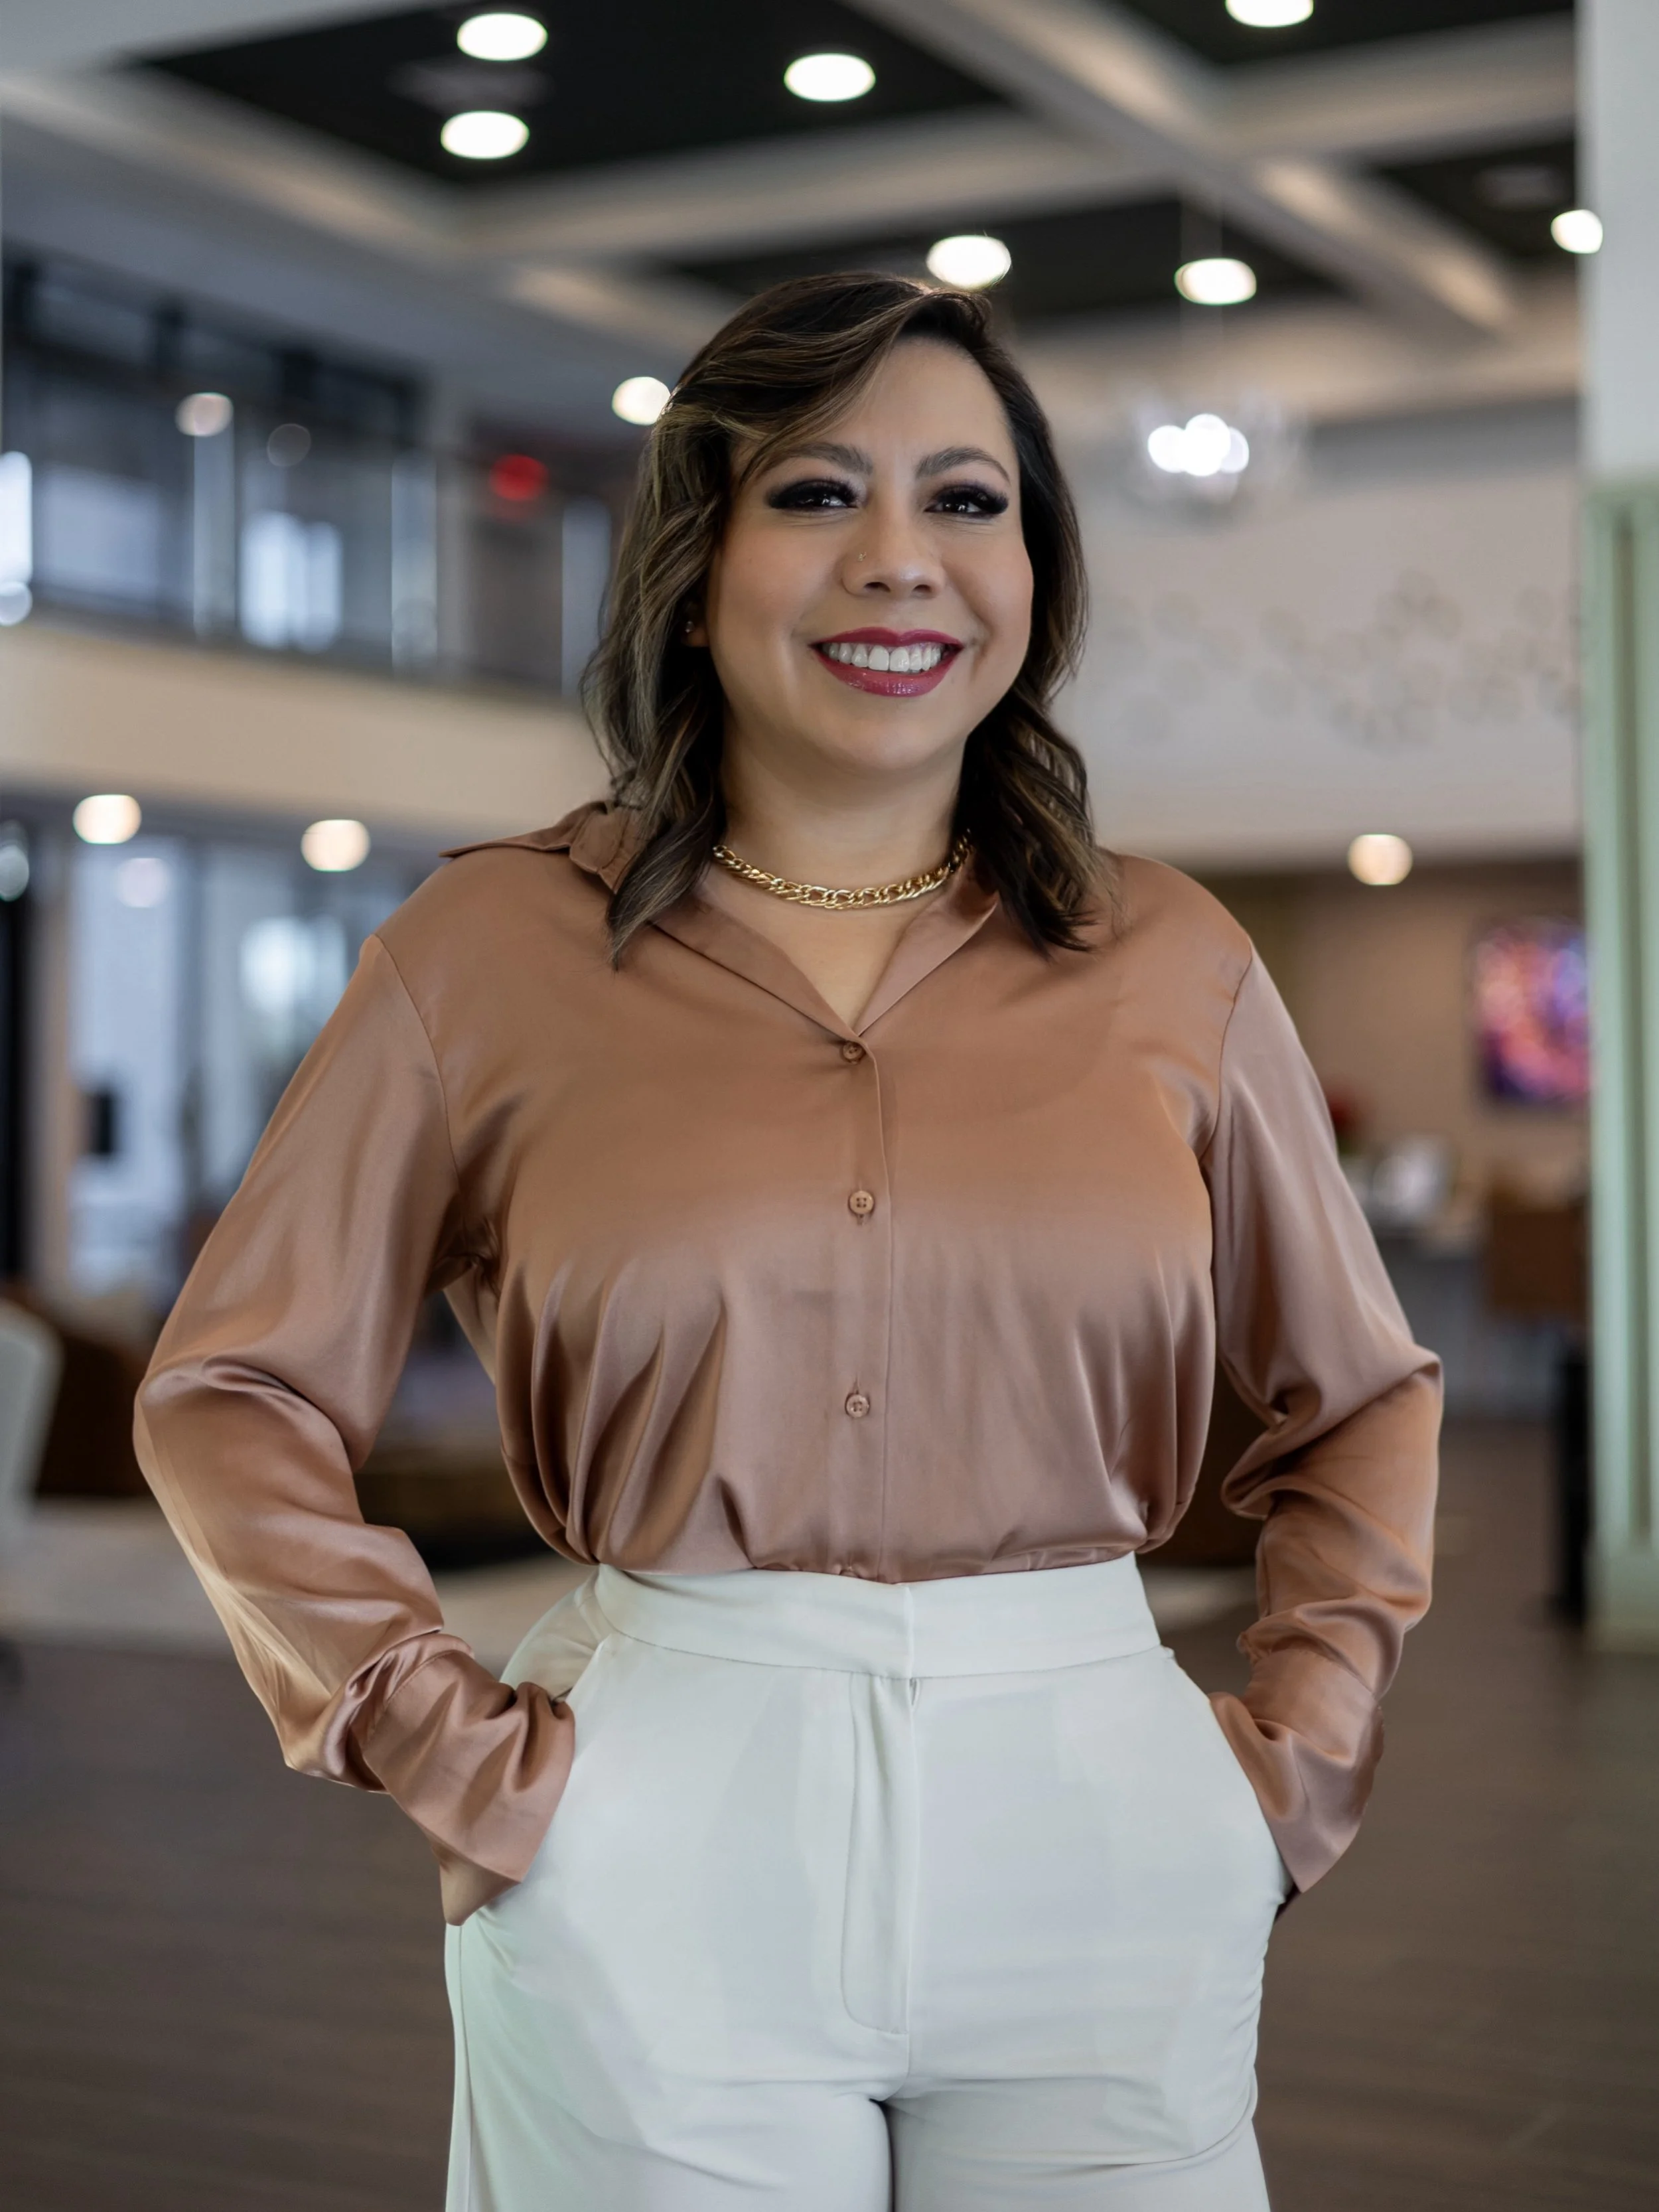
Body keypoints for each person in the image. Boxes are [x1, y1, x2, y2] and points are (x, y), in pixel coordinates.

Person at [135, 273, 1441, 2211]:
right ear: (693, 563)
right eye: (819, 496)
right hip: (654, 1808)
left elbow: (1355, 1401)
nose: (899, 563)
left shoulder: (1176, 961)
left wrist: (1289, 1767)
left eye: (966, 501)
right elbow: (228, 1389)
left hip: (1104, 1818)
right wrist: (443, 1742)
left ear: (1035, 572)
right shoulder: (483, 953)